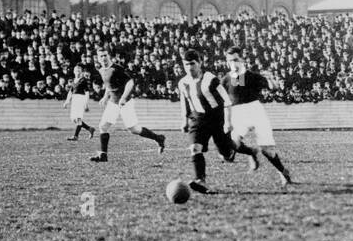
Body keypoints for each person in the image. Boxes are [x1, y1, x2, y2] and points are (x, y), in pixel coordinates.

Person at [178, 49, 260, 193]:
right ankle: (200, 180)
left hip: (216, 118)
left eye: (192, 63)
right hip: (198, 119)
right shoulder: (183, 82)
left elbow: (227, 101)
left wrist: (227, 122)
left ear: (200, 63)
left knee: (227, 152)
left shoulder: (210, 79)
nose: (189, 67)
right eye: (186, 64)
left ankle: (251, 151)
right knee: (194, 148)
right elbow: (184, 101)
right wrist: (184, 121)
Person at [224, 46, 292, 186]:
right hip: (237, 113)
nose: (233, 63)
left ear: (242, 60)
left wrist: (271, 78)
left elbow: (273, 88)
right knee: (233, 144)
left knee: (267, 150)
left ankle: (283, 171)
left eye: (236, 60)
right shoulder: (225, 79)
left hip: (255, 111)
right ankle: (251, 152)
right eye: (230, 61)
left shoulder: (253, 76)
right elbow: (222, 100)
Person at [90, 48, 166, 163]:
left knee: (134, 129)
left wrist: (124, 98)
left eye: (105, 55)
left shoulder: (117, 68)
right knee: (102, 126)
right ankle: (103, 155)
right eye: (101, 56)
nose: (103, 58)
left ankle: (159, 138)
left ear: (109, 56)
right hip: (113, 102)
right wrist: (105, 97)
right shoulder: (101, 70)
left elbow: (130, 82)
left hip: (125, 102)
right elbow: (108, 85)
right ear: (97, 58)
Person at [65, 64, 95, 141]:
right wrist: (67, 101)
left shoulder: (83, 80)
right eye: (76, 71)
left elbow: (87, 92)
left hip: (81, 99)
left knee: (78, 118)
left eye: (79, 71)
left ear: (81, 72)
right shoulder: (74, 80)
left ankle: (76, 136)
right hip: (74, 100)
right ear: (74, 72)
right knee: (74, 119)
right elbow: (70, 92)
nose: (77, 72)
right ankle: (90, 128)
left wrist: (86, 103)